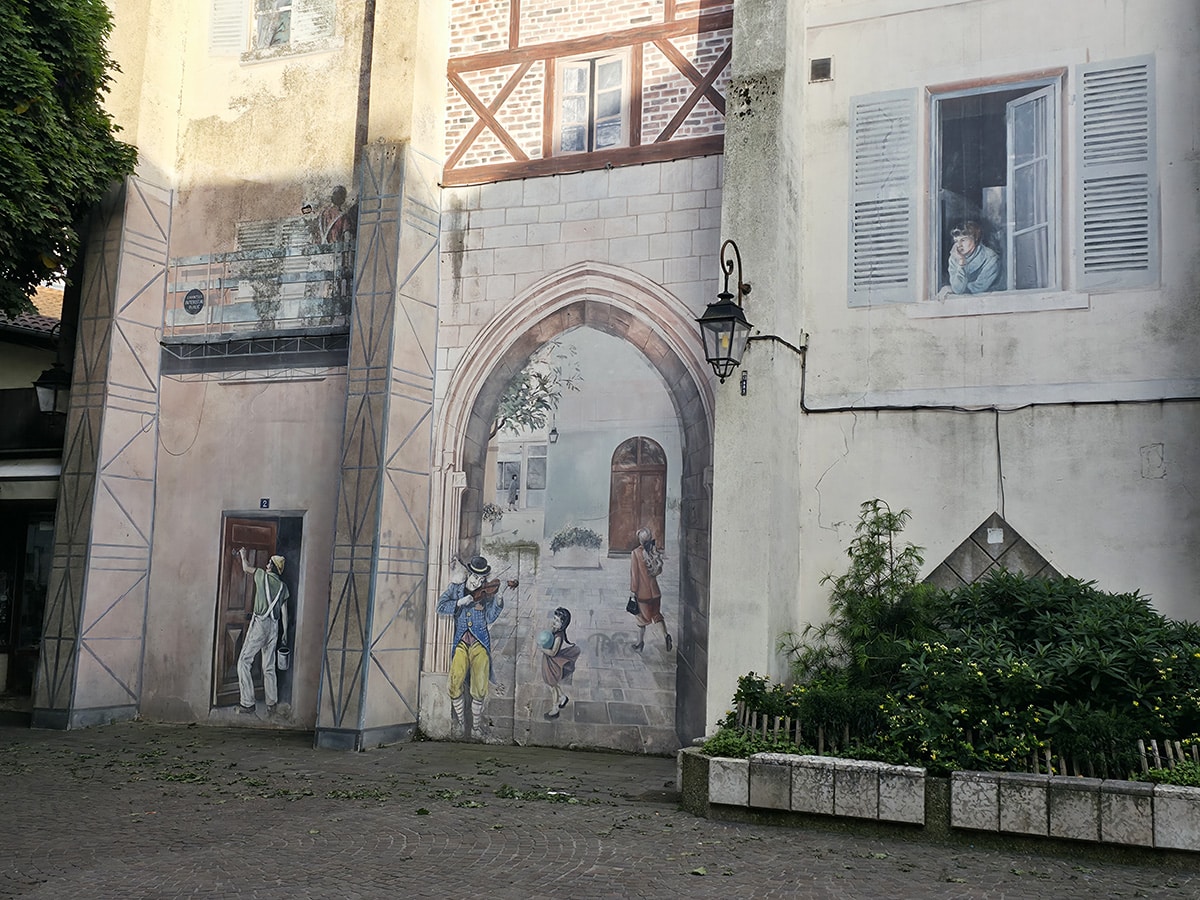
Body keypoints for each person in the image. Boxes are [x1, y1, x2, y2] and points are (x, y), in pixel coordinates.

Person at [436, 555, 515, 739]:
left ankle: (476, 727)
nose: (477, 582)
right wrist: (458, 603)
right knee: (455, 681)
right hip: (461, 643)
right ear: (469, 574)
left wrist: (499, 598)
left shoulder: (485, 594)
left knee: (480, 684)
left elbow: (490, 617)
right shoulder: (456, 589)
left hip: (480, 642)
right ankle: (461, 723)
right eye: (475, 577)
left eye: (481, 579)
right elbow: (440, 607)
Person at [235, 548, 290, 717]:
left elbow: (245, 568)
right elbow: (284, 612)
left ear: (271, 567)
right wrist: (285, 633)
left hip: (260, 624)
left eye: (269, 563)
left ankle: (247, 703)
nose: (266, 565)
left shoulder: (261, 575)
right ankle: (271, 704)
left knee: (244, 662)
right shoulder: (283, 587)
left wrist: (243, 555)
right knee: (269, 666)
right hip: (274, 627)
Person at [629, 527, 671, 653]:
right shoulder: (653, 551)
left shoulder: (635, 553)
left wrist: (633, 591)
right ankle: (666, 635)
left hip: (643, 594)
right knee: (657, 615)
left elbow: (635, 575)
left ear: (640, 540)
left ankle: (639, 643)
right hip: (655, 592)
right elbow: (658, 571)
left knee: (641, 619)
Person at [538, 607, 581, 720]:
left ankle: (555, 709)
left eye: (557, 621)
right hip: (548, 662)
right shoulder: (555, 631)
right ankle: (563, 697)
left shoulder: (559, 637)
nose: (554, 622)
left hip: (553, 663)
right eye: (554, 618)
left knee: (552, 686)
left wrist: (542, 649)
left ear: (563, 625)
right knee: (552, 683)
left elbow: (553, 652)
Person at [946, 220, 1001, 294]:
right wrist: (961, 262)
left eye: (963, 240)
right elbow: (957, 289)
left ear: (975, 238)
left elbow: (979, 288)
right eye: (956, 241)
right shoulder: (954, 258)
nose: (959, 245)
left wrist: (954, 289)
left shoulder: (991, 258)